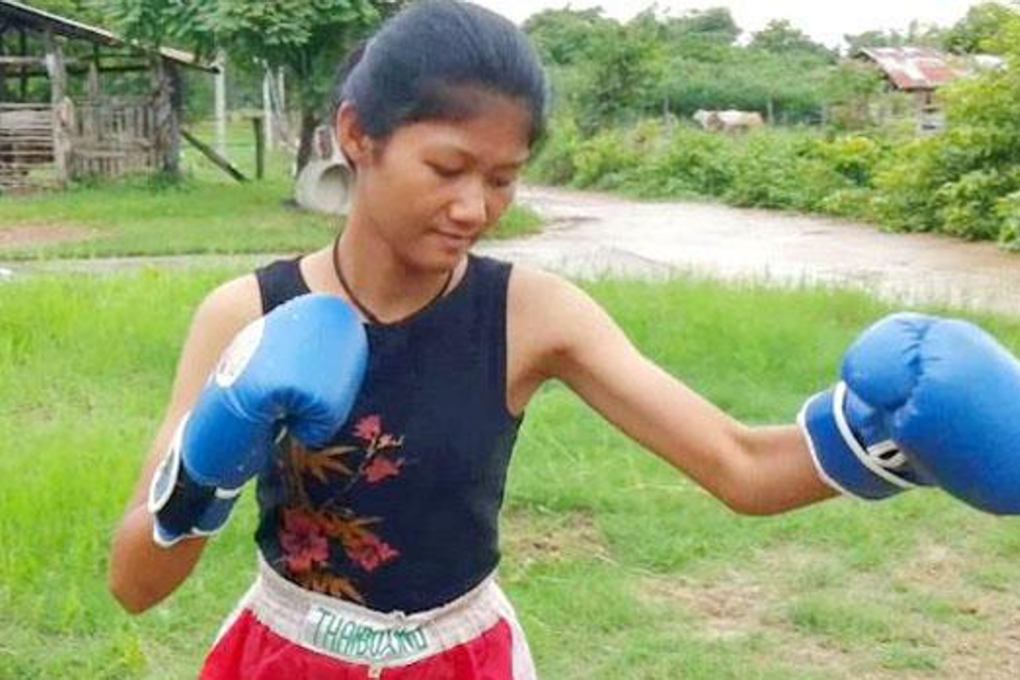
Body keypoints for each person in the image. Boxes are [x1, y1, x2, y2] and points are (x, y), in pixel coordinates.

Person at [109, 1, 1020, 678]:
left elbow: (740, 467)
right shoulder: (245, 314)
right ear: (358, 135)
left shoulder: (532, 312)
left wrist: (894, 440)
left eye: (504, 179)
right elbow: (136, 585)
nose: (475, 207)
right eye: (449, 168)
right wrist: (211, 460)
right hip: (284, 653)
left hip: (461, 657)